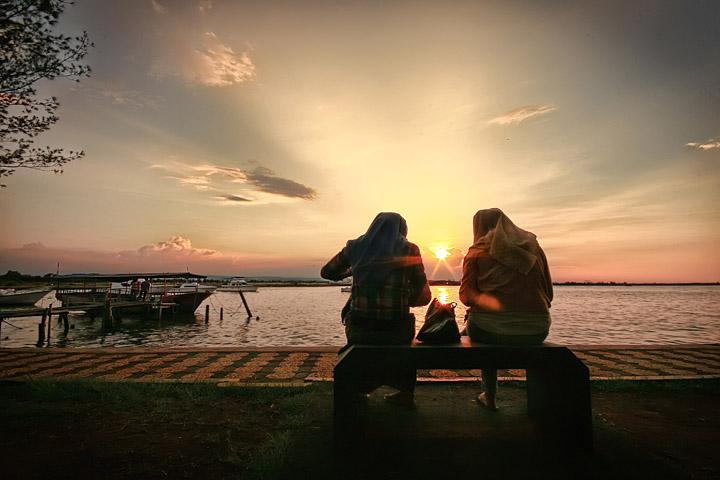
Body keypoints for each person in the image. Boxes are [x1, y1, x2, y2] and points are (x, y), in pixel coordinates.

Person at [321, 212, 431, 406]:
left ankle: (360, 389)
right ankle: (405, 394)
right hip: (397, 332)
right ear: (402, 230)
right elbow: (424, 296)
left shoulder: (355, 247)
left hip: (360, 330)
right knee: (403, 344)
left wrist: (355, 269)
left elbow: (327, 272)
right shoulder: (410, 249)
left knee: (357, 323)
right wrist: (402, 299)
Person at [459, 208, 553, 411]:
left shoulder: (476, 251)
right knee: (486, 322)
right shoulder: (533, 249)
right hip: (537, 330)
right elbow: (549, 295)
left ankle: (490, 395)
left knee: (483, 326)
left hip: (488, 331)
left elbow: (466, 297)